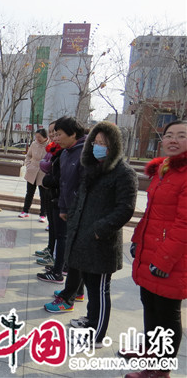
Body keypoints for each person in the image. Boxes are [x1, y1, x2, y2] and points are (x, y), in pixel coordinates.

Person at [60, 121, 138, 346]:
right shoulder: (92, 169)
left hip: (102, 243)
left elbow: (125, 209)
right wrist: (74, 219)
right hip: (83, 239)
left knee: (100, 289)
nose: (97, 146)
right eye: (95, 142)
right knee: (91, 286)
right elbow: (80, 199)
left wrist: (98, 231)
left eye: (103, 143)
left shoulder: (124, 173)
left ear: (114, 145)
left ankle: (97, 334)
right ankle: (91, 320)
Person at [125, 120, 187, 378]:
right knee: (150, 304)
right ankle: (152, 351)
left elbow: (184, 224)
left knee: (167, 313)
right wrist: (138, 240)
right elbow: (152, 214)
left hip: (173, 259)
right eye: (169, 135)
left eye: (181, 135)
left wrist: (163, 260)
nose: (173, 139)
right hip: (151, 250)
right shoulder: (165, 170)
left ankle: (160, 371)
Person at [42, 116, 86, 302]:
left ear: (73, 133)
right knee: (71, 250)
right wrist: (62, 207)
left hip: (80, 213)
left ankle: (73, 291)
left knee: (74, 252)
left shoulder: (85, 153)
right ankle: (76, 290)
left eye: (58, 134)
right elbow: (64, 182)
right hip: (65, 208)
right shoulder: (67, 152)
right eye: (54, 134)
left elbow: (83, 186)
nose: (55, 138)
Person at [35, 120, 59, 262]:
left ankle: (54, 256)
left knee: (58, 231)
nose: (52, 135)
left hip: (57, 194)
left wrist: (45, 164)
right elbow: (45, 163)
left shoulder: (61, 150)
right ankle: (50, 249)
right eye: (50, 132)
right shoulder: (52, 148)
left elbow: (48, 165)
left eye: (55, 132)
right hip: (50, 191)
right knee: (53, 226)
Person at [18, 129, 49, 223]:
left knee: (43, 195)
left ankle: (43, 214)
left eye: (40, 137)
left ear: (45, 137)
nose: (38, 139)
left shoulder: (50, 145)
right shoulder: (34, 144)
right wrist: (28, 165)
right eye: (36, 137)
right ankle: (25, 211)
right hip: (32, 170)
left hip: (43, 172)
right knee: (29, 193)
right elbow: (28, 155)